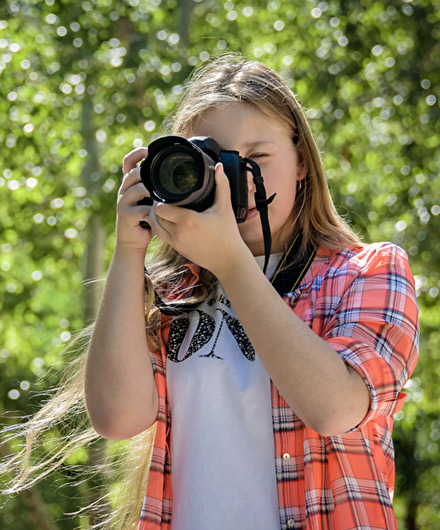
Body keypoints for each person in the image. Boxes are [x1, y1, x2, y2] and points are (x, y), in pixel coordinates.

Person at [84, 55, 419, 530]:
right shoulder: (174, 295)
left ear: (302, 161)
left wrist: (230, 262)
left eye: (255, 158)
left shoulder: (368, 271)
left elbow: (335, 409)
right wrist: (129, 248)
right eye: (213, 162)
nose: (234, 178)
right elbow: (117, 419)